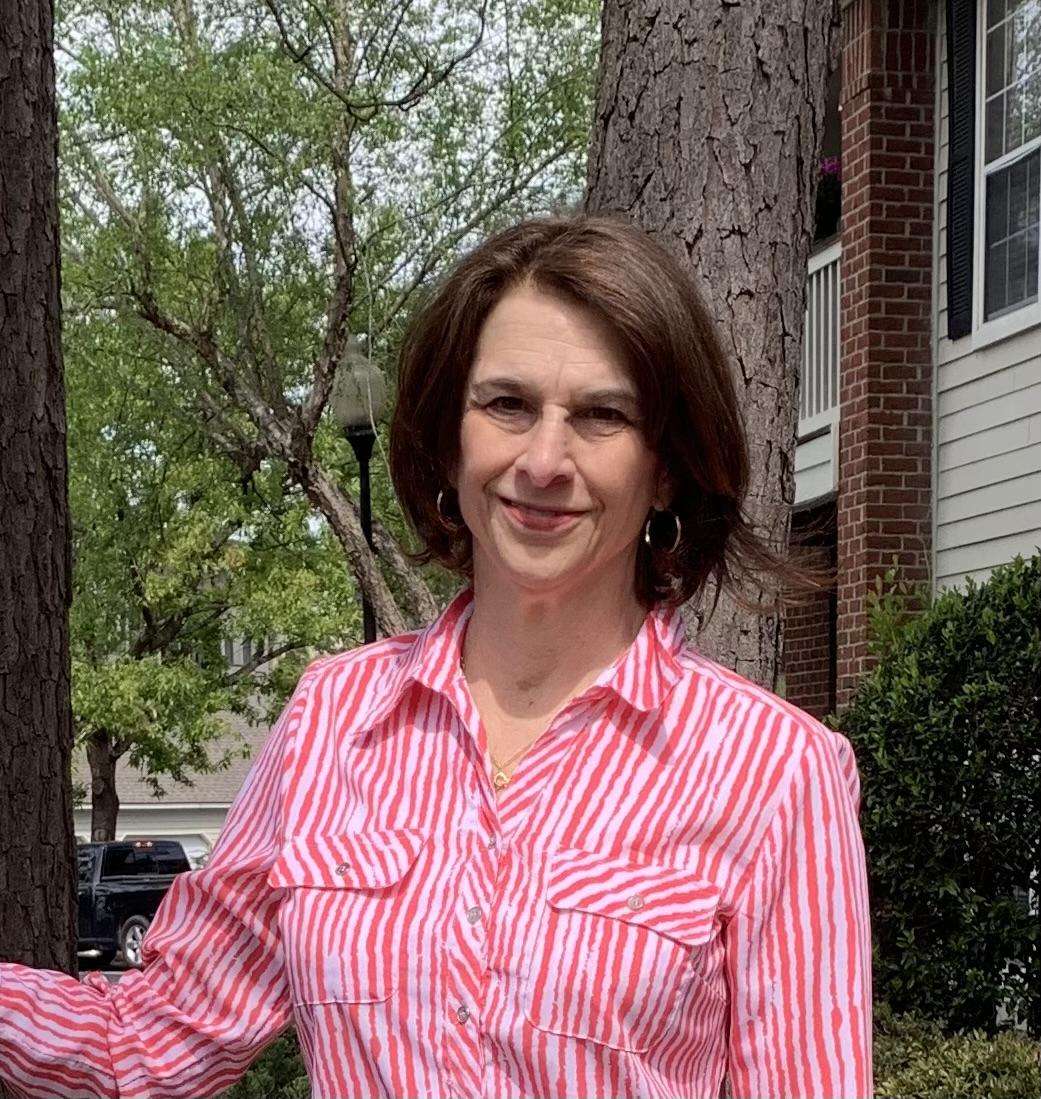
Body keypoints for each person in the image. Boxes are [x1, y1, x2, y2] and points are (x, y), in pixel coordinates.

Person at [0, 215, 872, 1099]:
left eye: (602, 415)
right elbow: (148, 1040)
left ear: (667, 467)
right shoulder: (332, 720)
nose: (543, 459)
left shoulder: (776, 773)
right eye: (506, 404)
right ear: (448, 442)